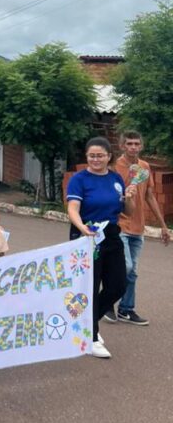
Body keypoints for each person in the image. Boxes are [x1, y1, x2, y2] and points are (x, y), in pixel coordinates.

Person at [66, 136, 131, 359]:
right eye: (92, 155)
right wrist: (82, 228)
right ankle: (90, 338)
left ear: (108, 156)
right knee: (90, 287)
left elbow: (127, 211)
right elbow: (73, 208)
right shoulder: (79, 179)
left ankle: (89, 322)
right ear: (87, 156)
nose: (96, 159)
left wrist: (129, 198)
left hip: (111, 234)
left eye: (100, 155)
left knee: (118, 285)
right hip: (86, 235)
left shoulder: (116, 178)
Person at [105, 131, 170, 326]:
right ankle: (107, 302)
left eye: (136, 144)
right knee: (126, 266)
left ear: (141, 146)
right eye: (129, 143)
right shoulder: (114, 167)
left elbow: (149, 196)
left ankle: (126, 309)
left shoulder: (144, 167)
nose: (133, 147)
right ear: (122, 146)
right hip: (119, 224)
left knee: (132, 272)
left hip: (138, 226)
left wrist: (163, 226)